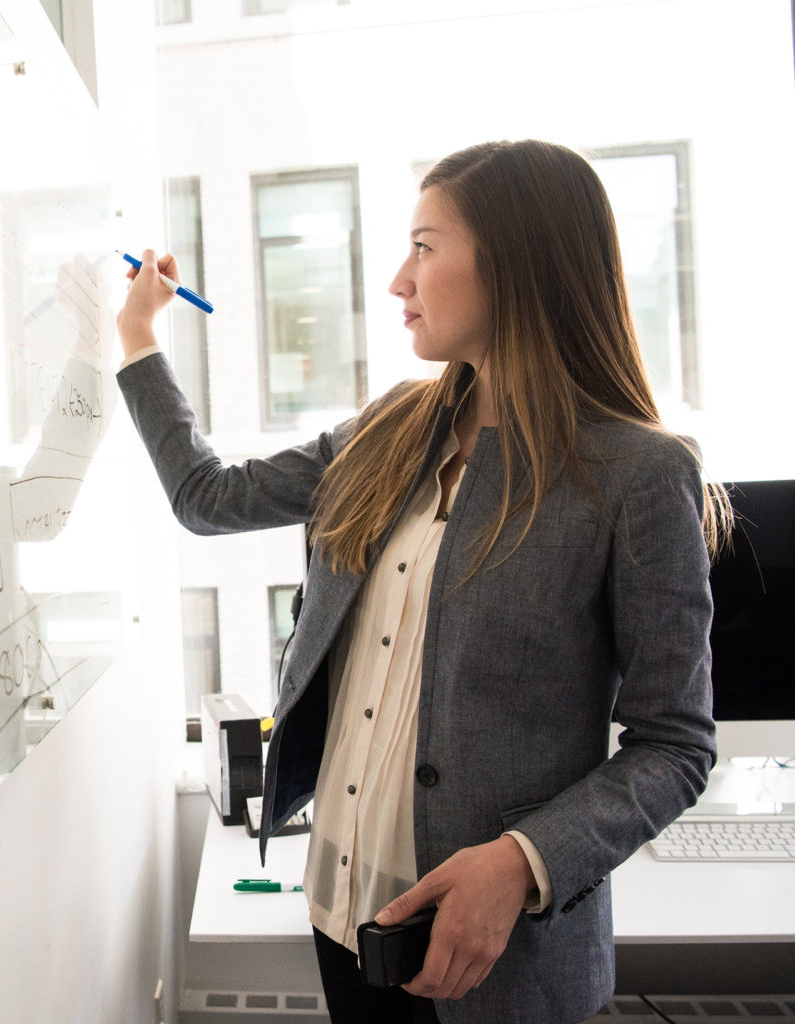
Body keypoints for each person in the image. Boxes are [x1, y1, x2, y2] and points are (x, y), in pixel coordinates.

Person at [115, 140, 727, 1024]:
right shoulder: (391, 428)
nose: (399, 280)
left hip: (498, 964)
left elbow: (675, 745)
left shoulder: (634, 472)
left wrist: (522, 861)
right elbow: (208, 497)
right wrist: (138, 336)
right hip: (342, 920)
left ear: (516, 264)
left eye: (426, 247)